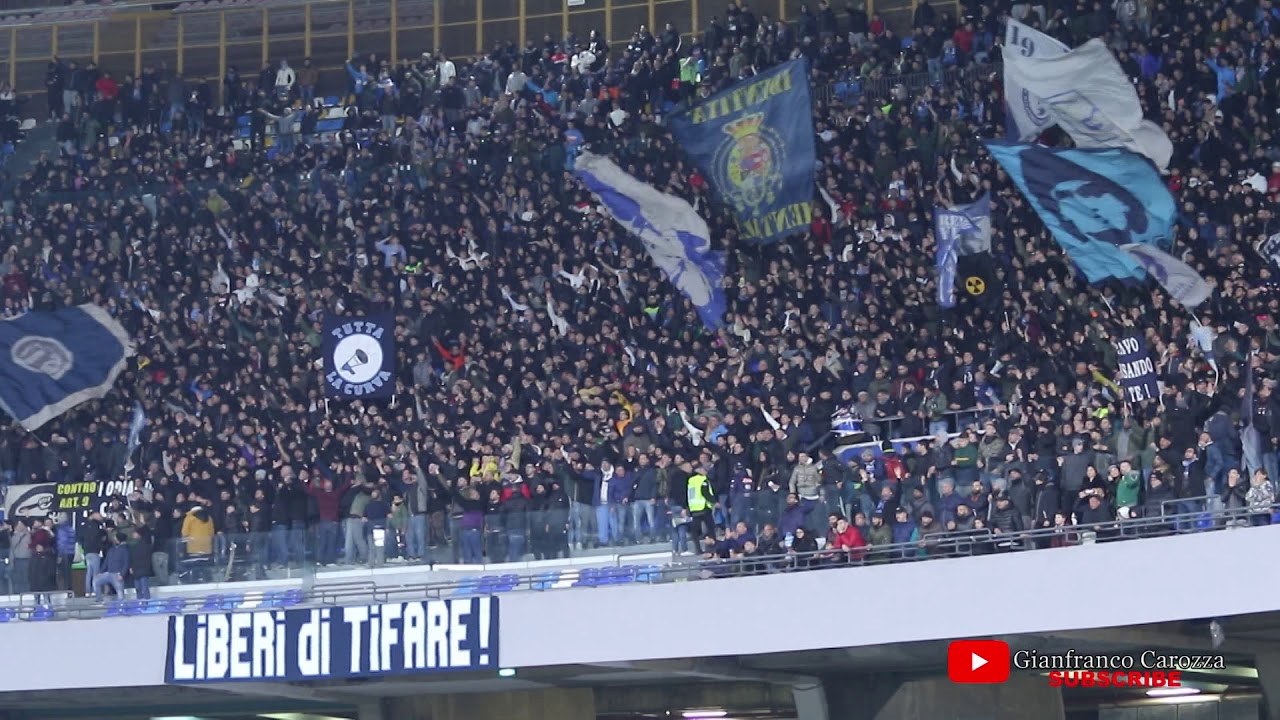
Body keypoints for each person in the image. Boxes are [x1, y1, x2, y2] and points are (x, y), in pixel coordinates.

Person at [93, 532, 130, 602]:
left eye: (116, 538)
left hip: (117, 574)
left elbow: (126, 562)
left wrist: (122, 574)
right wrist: (100, 572)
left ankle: (121, 604)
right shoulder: (111, 550)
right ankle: (99, 599)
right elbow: (106, 562)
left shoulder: (125, 550)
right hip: (109, 573)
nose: (114, 540)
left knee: (120, 592)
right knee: (96, 581)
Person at [129, 528, 154, 599]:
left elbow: (146, 558)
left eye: (135, 533)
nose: (133, 534)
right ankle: (141, 603)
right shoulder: (133, 545)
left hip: (142, 569)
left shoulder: (144, 545)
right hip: (137, 569)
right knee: (139, 588)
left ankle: (145, 603)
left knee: (143, 588)